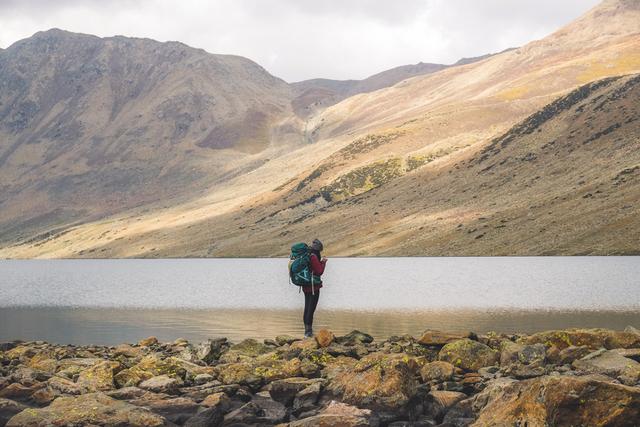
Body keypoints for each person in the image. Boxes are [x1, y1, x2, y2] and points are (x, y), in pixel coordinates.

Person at [303, 238, 327, 338]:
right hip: (313, 287)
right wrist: (324, 262)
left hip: (306, 285)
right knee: (311, 309)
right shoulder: (313, 256)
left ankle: (307, 330)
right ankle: (308, 332)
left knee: (307, 307)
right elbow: (319, 271)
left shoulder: (307, 255)